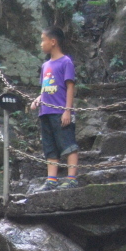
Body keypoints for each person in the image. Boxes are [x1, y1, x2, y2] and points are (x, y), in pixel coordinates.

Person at [30, 26, 80, 190]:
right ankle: (52, 180)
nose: (41, 43)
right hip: (45, 111)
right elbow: (46, 88)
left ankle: (71, 178)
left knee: (68, 143)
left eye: (43, 40)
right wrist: (38, 99)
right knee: (50, 146)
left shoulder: (66, 62)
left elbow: (69, 87)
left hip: (60, 111)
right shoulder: (45, 65)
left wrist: (67, 110)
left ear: (53, 42)